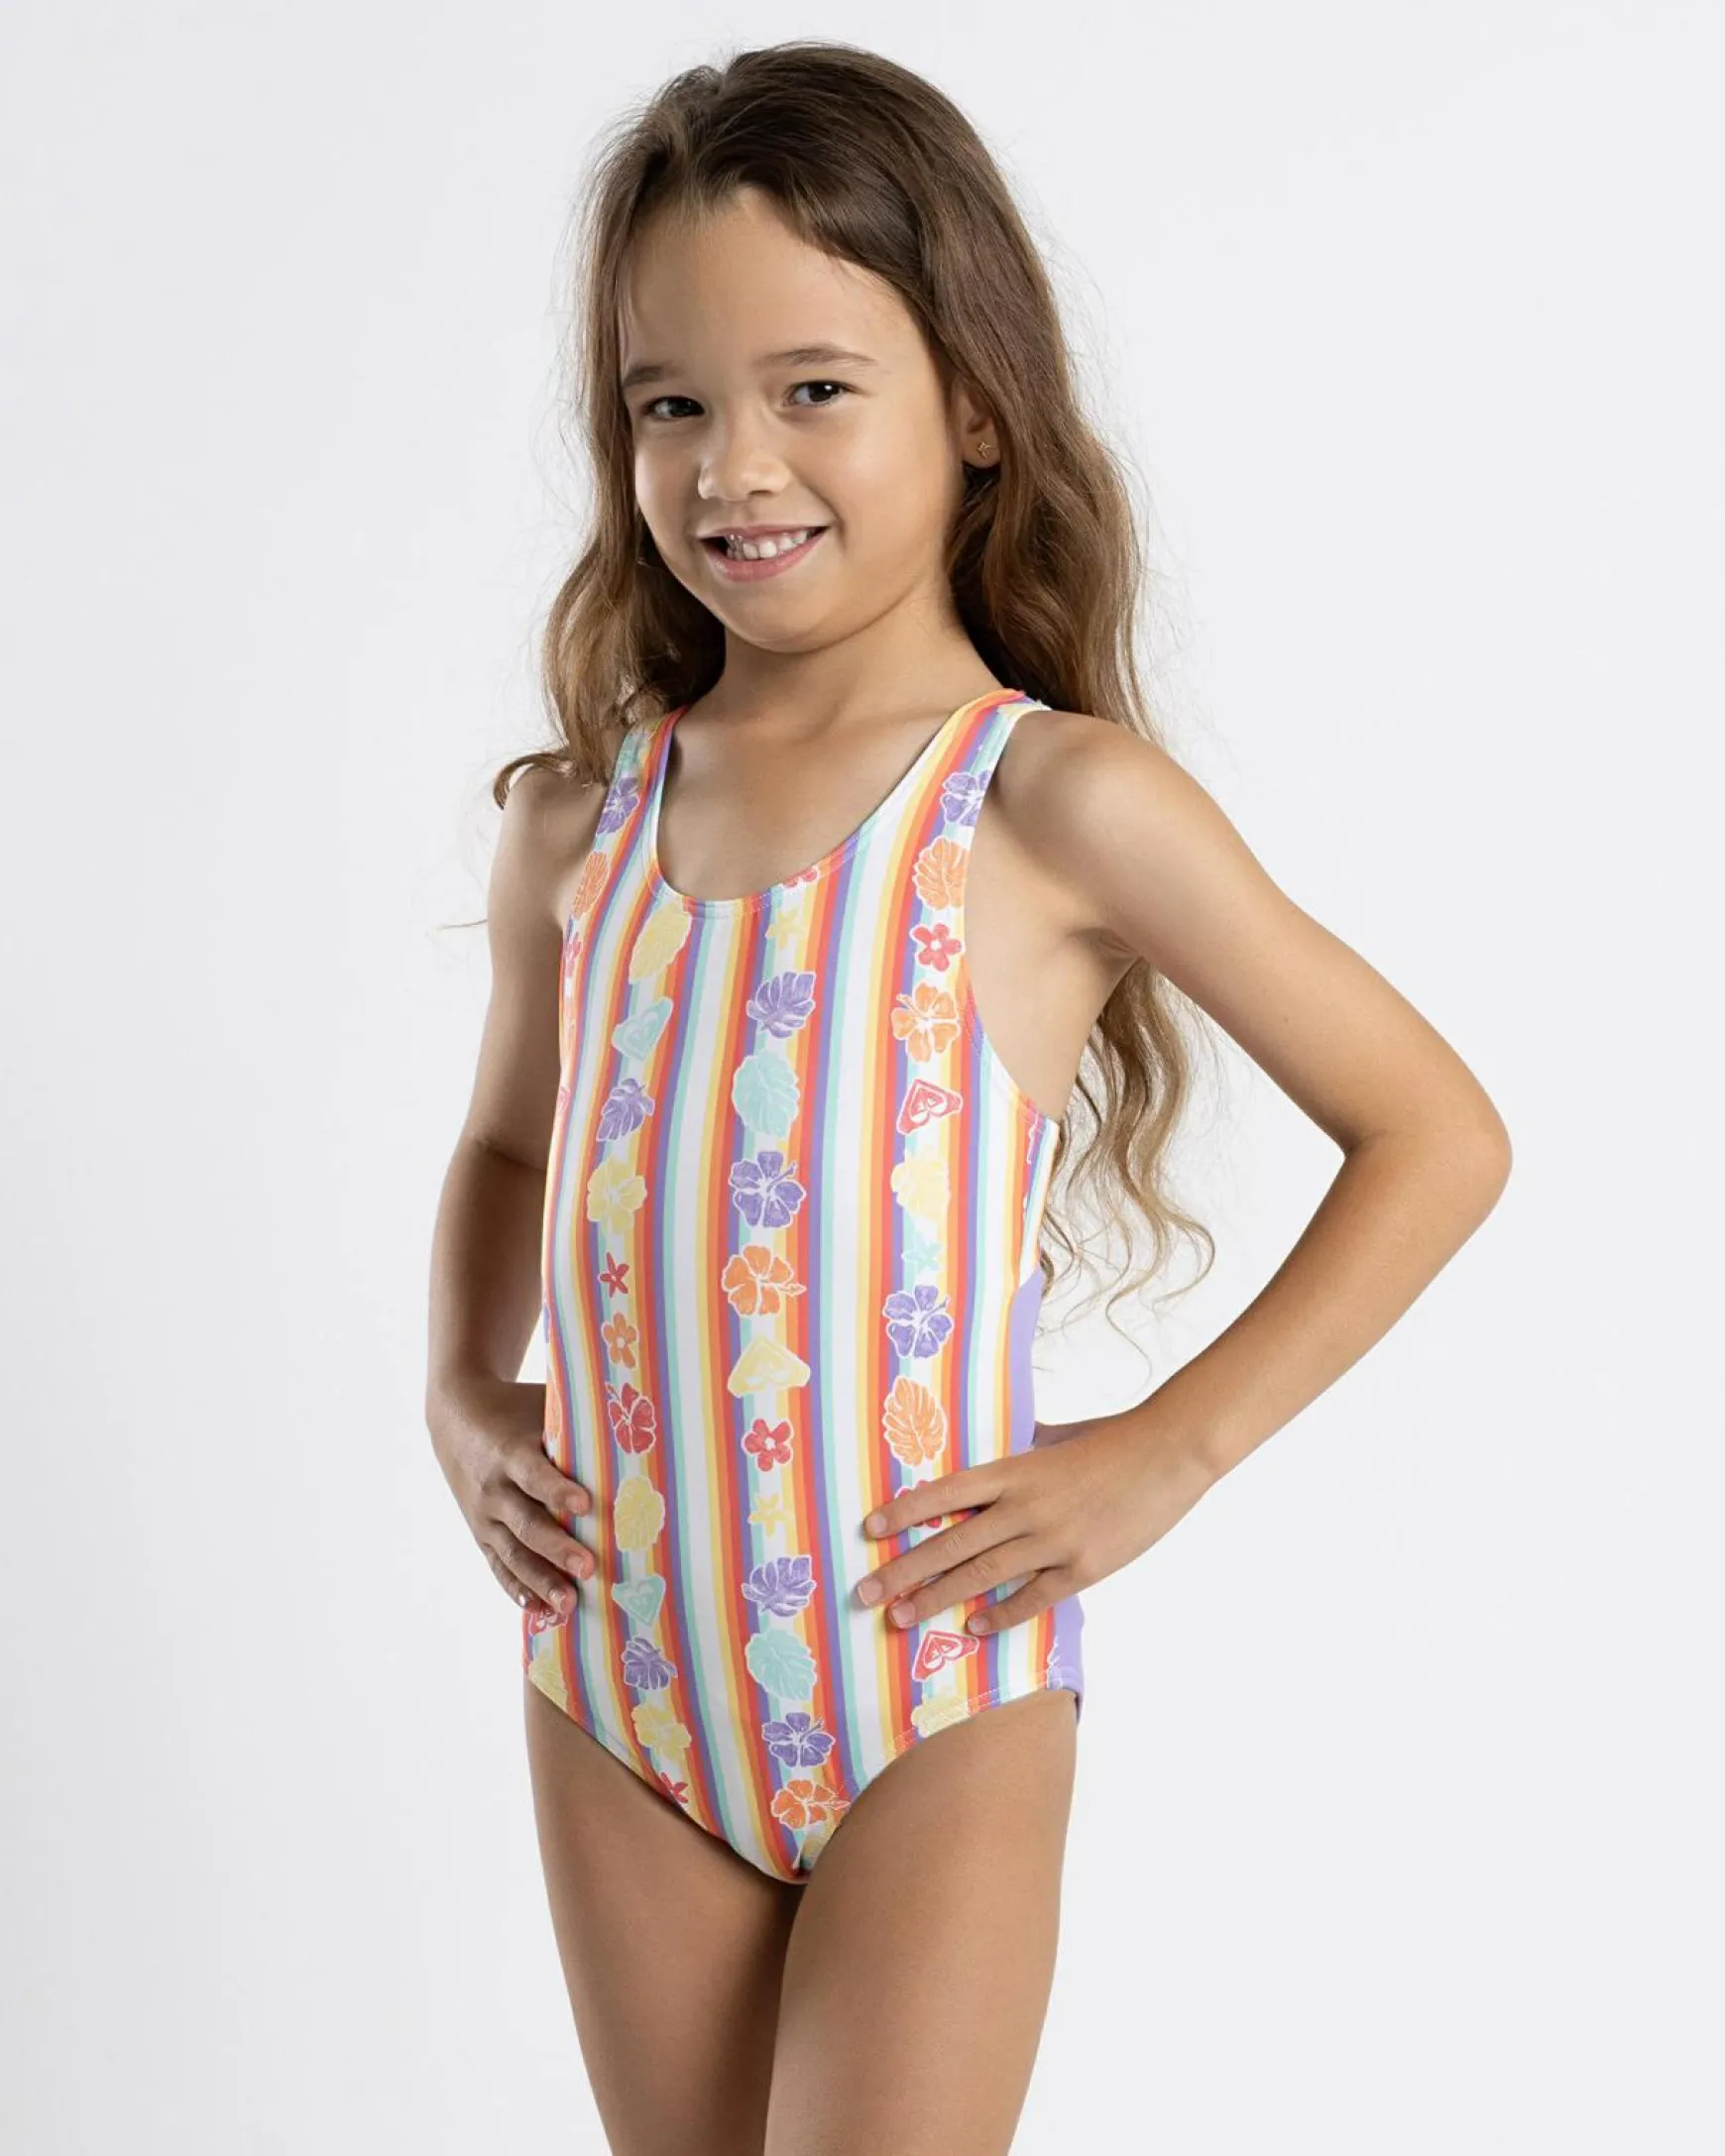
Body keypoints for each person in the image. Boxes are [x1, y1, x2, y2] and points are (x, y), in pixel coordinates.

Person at [423, 39, 1511, 2156]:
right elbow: (503, 1144)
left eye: (814, 387)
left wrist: (1165, 1452)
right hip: (615, 1677)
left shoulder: (1044, 805)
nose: (736, 465)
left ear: (978, 406)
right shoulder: (579, 830)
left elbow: (1437, 1134)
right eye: (669, 404)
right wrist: (467, 1397)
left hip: (932, 1683)